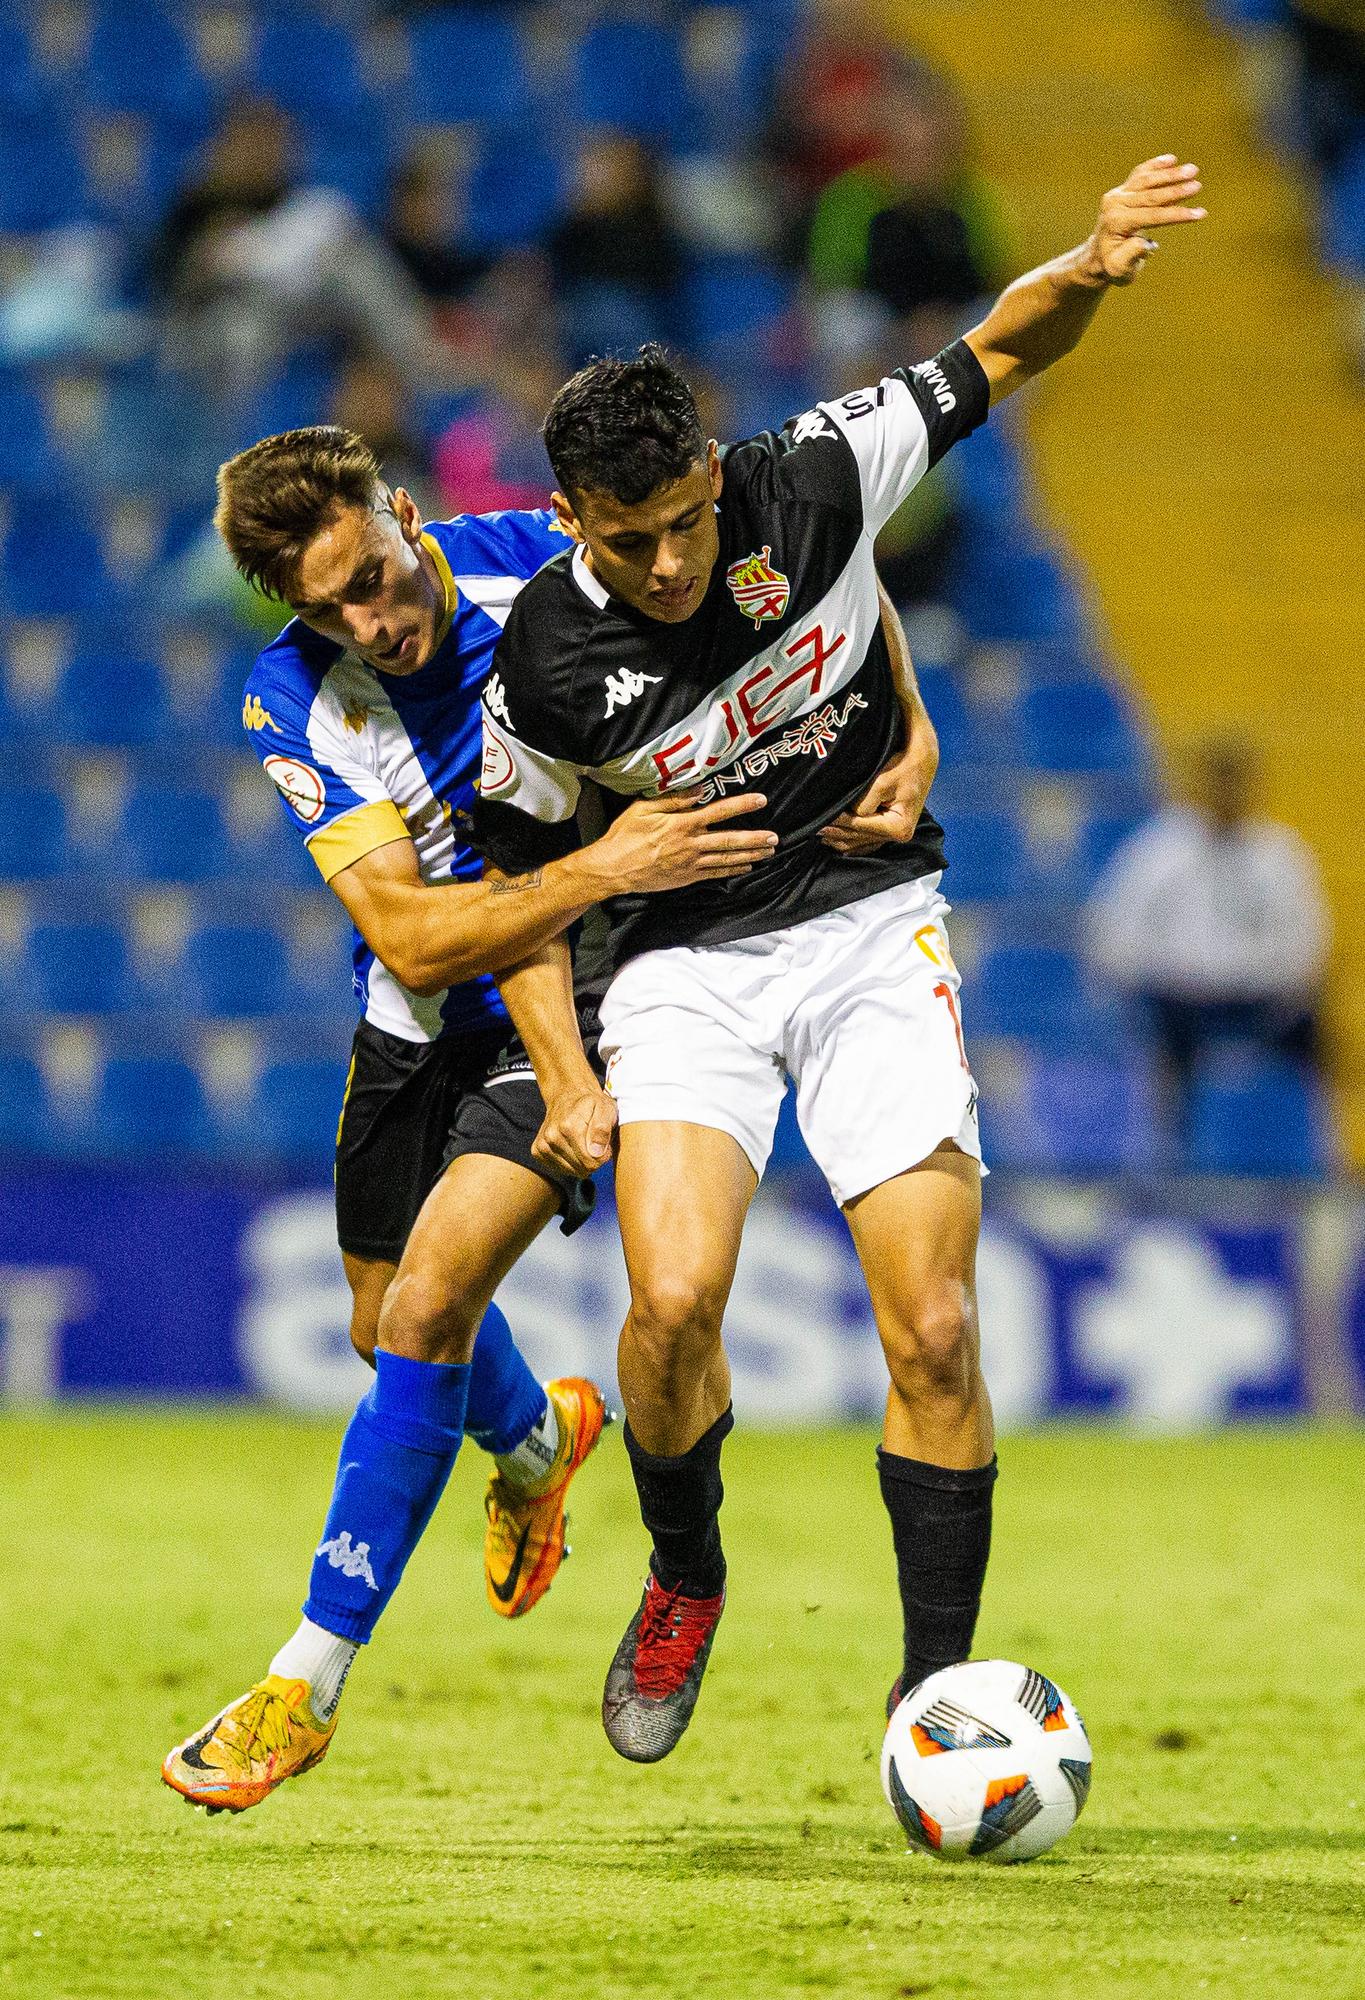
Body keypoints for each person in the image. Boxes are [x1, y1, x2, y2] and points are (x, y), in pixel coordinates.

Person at [474, 157, 1207, 1762]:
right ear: (568, 520)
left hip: (875, 926)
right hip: (682, 961)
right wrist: (571, 1067)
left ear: (711, 477)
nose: (667, 565)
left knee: (934, 1330)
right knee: (669, 1304)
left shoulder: (809, 476)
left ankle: (932, 1691)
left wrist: (1084, 259)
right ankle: (685, 1574)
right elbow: (517, 873)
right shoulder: (542, 658)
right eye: (629, 541)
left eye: (683, 525)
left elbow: (1001, 348)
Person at [161, 425, 779, 1813]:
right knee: (386, 1327)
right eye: (333, 607)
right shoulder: (295, 701)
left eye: (376, 574)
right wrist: (601, 859)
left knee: (430, 1305)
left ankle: (302, 1684)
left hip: (579, 993)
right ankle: (539, 1442)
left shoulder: (550, 576)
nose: (374, 620)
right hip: (419, 1014)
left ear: (400, 508)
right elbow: (411, 937)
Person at [1086, 729, 1330, 1146]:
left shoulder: (1280, 854)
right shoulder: (1160, 849)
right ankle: (1173, 1146)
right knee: (1161, 1038)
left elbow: (1307, 942)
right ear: (1198, 784)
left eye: (1234, 781)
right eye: (1217, 780)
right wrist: (1152, 979)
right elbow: (1113, 931)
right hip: (1179, 1000)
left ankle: (1307, 1147)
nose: (1225, 792)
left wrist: (1276, 987)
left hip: (1257, 1003)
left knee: (1311, 1034)